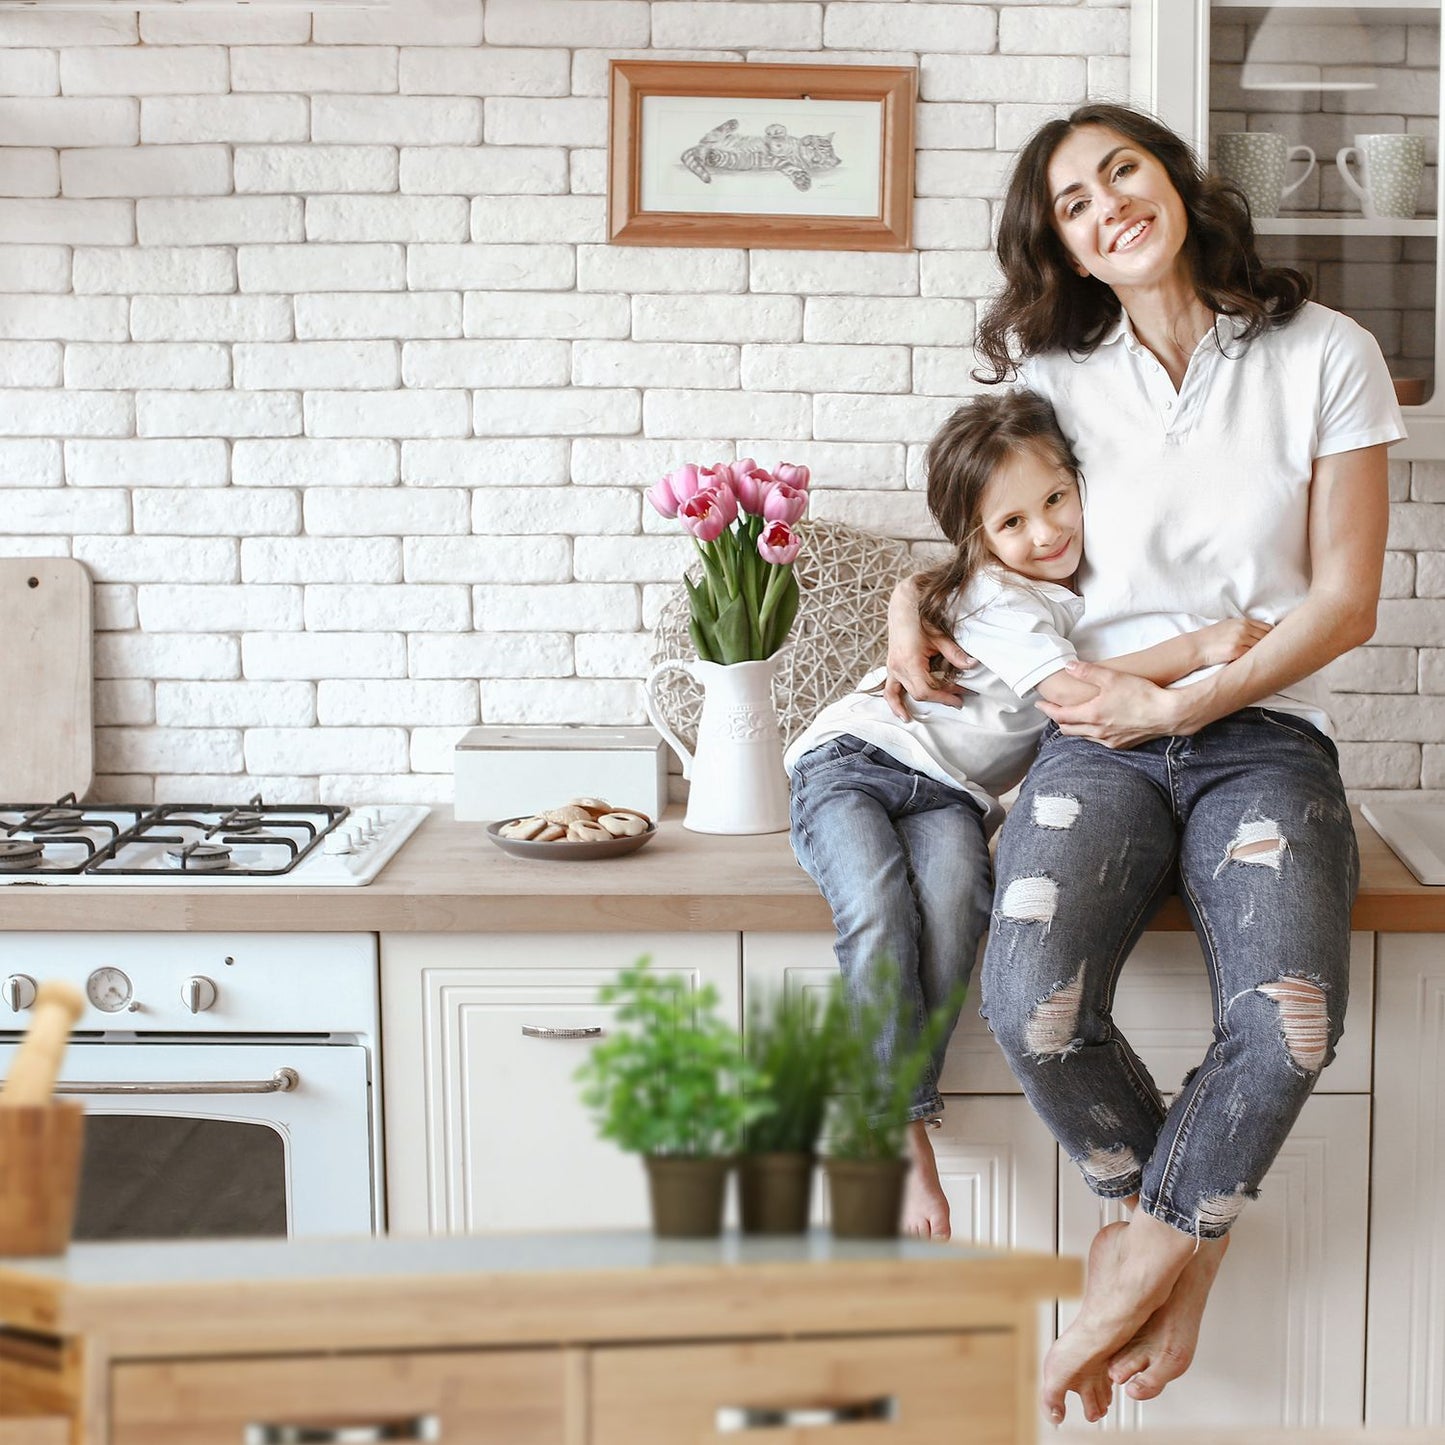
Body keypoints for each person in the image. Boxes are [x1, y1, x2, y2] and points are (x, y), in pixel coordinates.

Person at [884, 102, 1404, 1423]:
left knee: (1288, 1024)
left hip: (1264, 735)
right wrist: (909, 598)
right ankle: (1173, 1228)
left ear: (1171, 179)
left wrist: (1184, 705)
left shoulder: (1324, 350)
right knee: (1029, 1004)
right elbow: (983, 549)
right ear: (1058, 242)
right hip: (1093, 743)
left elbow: (1342, 604)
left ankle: (1128, 1280)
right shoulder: (1054, 385)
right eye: (1071, 199)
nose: (1108, 202)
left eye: (1122, 169)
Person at [785, 389, 1269, 1242]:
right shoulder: (990, 596)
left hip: (950, 795)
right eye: (1012, 523)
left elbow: (1085, 658)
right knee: (872, 900)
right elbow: (1072, 693)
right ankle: (893, 1134)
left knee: (953, 902)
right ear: (978, 539)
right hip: (856, 760)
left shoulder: (1063, 598)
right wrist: (1198, 648)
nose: (1045, 532)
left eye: (1054, 499)